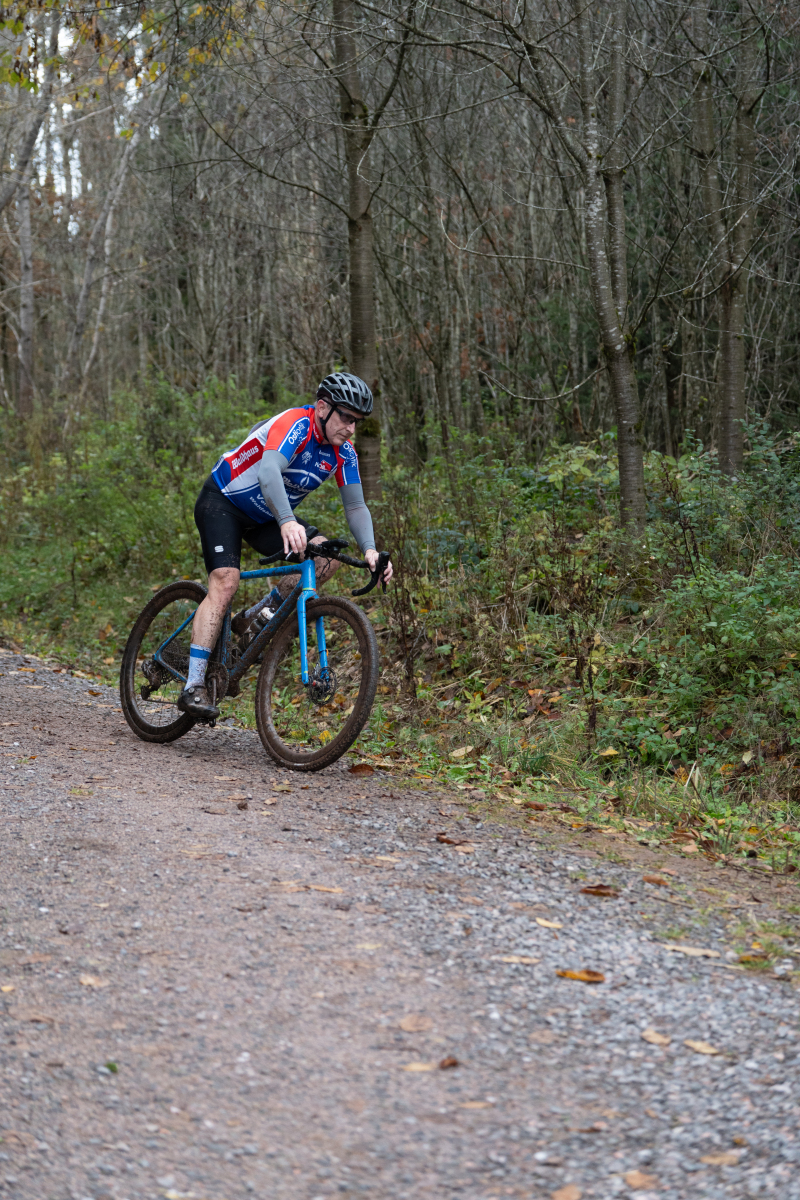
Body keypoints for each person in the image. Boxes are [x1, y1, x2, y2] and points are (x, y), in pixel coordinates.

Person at [179, 372, 393, 719]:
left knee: (326, 557)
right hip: (224, 502)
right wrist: (287, 520)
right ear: (322, 408)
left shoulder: (344, 453)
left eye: (357, 421)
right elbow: (268, 473)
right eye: (345, 417)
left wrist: (370, 549)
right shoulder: (296, 424)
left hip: (265, 515)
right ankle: (193, 685)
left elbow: (355, 506)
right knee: (226, 581)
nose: (351, 428)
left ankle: (255, 617)